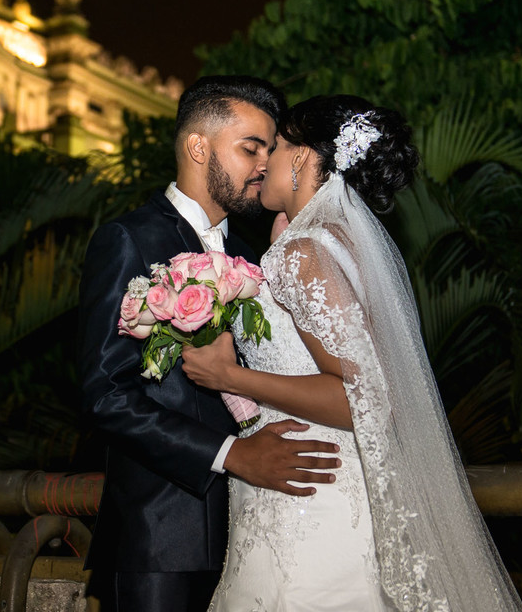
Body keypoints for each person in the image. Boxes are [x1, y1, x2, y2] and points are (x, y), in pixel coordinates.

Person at [182, 94, 522, 611]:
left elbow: (361, 397)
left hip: (307, 501)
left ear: (300, 158)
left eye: (273, 148)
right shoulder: (332, 242)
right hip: (325, 484)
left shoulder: (303, 254)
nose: (261, 164)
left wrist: (231, 376)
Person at [77, 76, 342, 612]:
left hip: (255, 527)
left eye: (271, 150)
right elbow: (105, 394)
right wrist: (231, 454)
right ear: (199, 147)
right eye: (251, 148)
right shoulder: (129, 239)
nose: (265, 164)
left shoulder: (253, 255)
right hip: (160, 535)